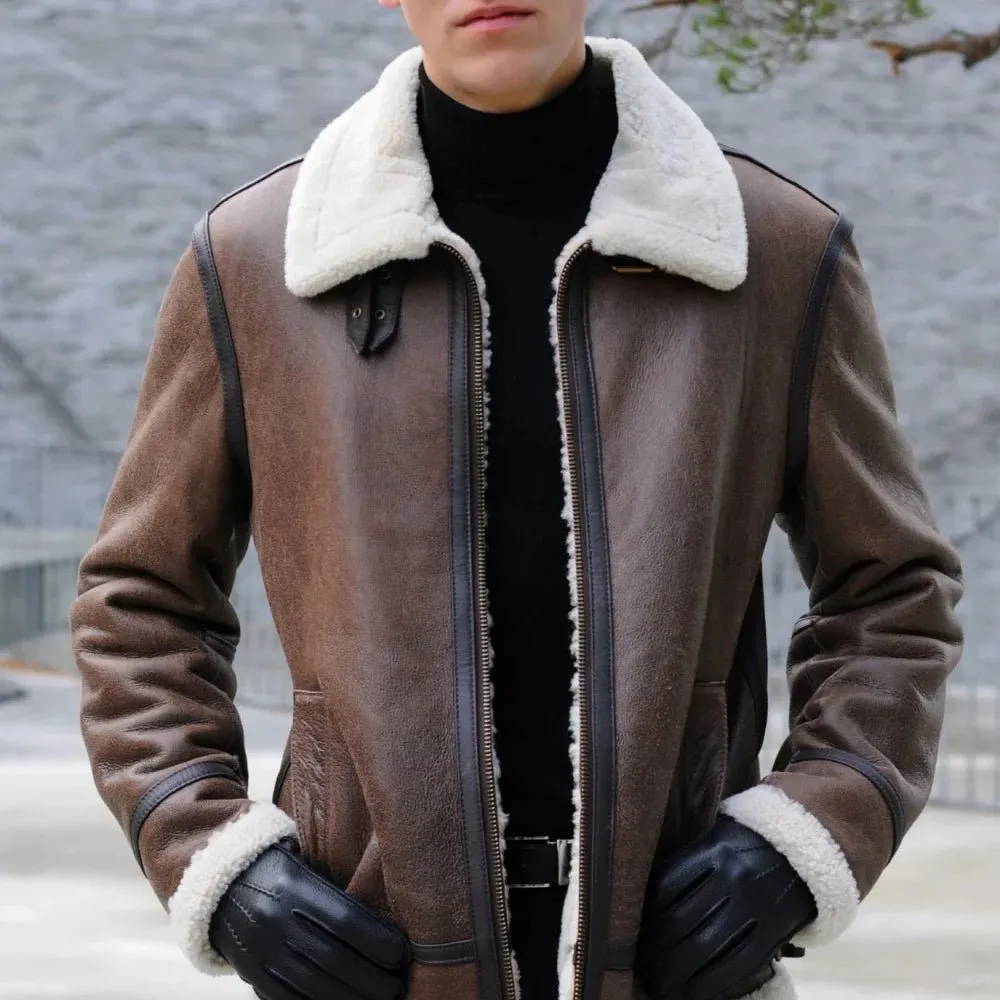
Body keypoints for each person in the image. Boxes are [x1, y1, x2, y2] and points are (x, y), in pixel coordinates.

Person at [69, 2, 964, 999]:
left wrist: (806, 834)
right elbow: (138, 603)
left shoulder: (775, 250)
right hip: (377, 969)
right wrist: (215, 857)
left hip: (673, 969)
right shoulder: (254, 259)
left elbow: (893, 594)